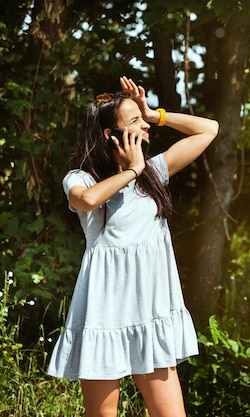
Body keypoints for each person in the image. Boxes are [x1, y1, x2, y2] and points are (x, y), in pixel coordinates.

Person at [47, 76, 219, 417]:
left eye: (143, 120)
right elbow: (87, 200)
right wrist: (132, 170)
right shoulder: (81, 177)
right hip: (103, 313)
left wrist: (156, 115)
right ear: (110, 136)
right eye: (135, 121)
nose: (144, 127)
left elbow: (209, 129)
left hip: (150, 311)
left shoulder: (155, 172)